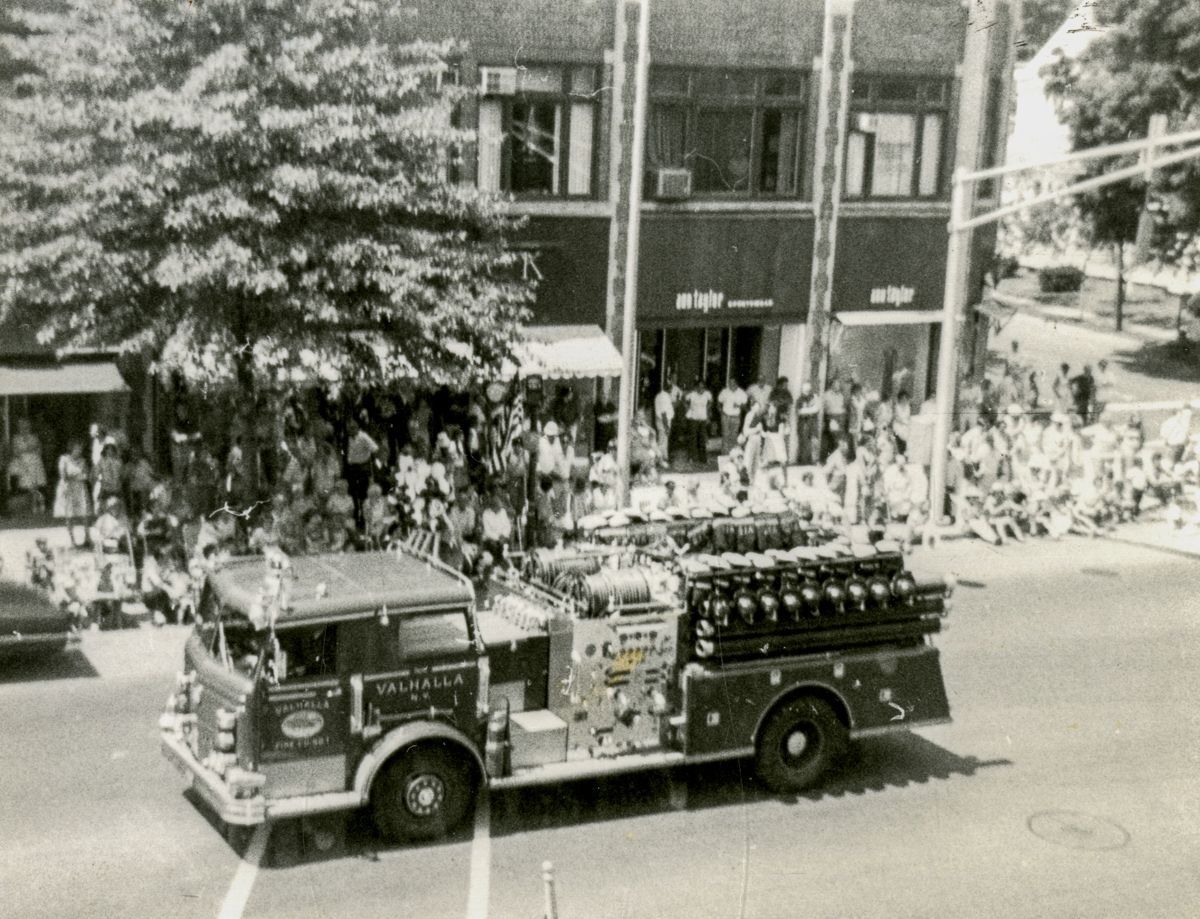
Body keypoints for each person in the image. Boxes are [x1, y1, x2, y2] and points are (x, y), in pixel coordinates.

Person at [6, 417, 47, 514]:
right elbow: (15, 451)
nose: (23, 427)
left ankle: (36, 503)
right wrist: (25, 451)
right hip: (21, 462)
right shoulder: (16, 438)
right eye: (20, 425)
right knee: (27, 484)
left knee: (34, 483)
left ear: (29, 426)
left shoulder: (34, 437)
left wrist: (29, 450)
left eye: (25, 425)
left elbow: (38, 450)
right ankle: (33, 502)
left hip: (34, 462)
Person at [344, 419, 379, 519]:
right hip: (351, 468)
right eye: (349, 429)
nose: (350, 430)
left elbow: (375, 448)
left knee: (363, 495)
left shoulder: (363, 437)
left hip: (362, 468)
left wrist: (365, 454)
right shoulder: (347, 438)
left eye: (353, 428)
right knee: (352, 494)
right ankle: (356, 517)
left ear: (357, 428)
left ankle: (364, 518)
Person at [683, 378, 712, 466]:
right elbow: (684, 400)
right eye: (699, 387)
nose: (700, 389)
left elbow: (710, 402)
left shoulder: (707, 394)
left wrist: (707, 411)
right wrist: (687, 408)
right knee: (693, 439)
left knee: (702, 439)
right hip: (693, 419)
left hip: (702, 419)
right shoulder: (692, 394)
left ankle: (703, 459)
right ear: (696, 387)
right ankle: (691, 458)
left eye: (702, 387)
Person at [717, 378, 749, 454]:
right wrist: (720, 411)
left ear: (736, 383)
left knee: (734, 436)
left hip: (736, 417)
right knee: (725, 435)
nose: (731, 384)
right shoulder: (724, 391)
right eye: (730, 383)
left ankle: (732, 454)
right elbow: (719, 402)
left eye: (733, 383)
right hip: (725, 416)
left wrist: (739, 405)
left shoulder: (742, 393)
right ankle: (724, 454)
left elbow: (745, 406)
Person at [794, 383, 819, 466]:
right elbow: (799, 412)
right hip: (803, 423)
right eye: (805, 391)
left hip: (813, 423)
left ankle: (814, 460)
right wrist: (811, 410)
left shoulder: (814, 398)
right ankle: (803, 461)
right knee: (803, 442)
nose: (807, 392)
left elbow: (817, 409)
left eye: (808, 390)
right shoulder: (799, 399)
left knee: (814, 441)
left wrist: (806, 410)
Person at [653, 384, 675, 466]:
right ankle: (660, 460)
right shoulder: (664, 397)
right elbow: (663, 412)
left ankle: (664, 458)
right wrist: (666, 426)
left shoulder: (660, 395)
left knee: (663, 440)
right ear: (670, 389)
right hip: (663, 420)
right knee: (662, 441)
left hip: (661, 420)